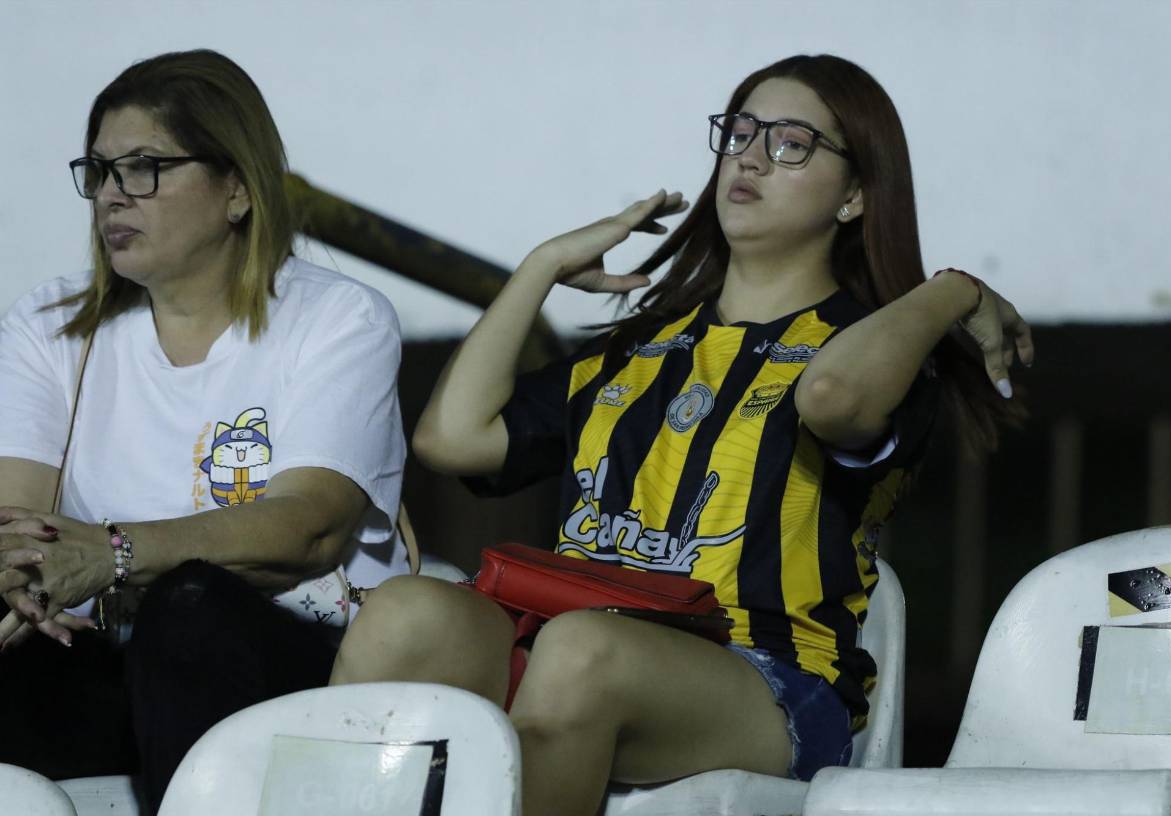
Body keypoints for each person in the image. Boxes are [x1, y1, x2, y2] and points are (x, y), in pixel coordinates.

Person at [331, 53, 1033, 815]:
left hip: (769, 679)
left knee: (580, 650)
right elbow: (452, 440)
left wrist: (952, 292)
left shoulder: (877, 356)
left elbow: (831, 399)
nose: (753, 157)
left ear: (858, 194)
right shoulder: (637, 352)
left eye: (792, 142)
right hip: (576, 644)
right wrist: (540, 266)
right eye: (740, 132)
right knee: (403, 610)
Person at [0, 49, 407, 809]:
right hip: (104, 666)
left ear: (238, 189)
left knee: (189, 606)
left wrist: (114, 554)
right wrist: (18, 573)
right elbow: (17, 520)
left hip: (290, 670)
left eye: (144, 168)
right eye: (99, 173)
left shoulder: (336, 317)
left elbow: (305, 530)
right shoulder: (50, 325)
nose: (112, 197)